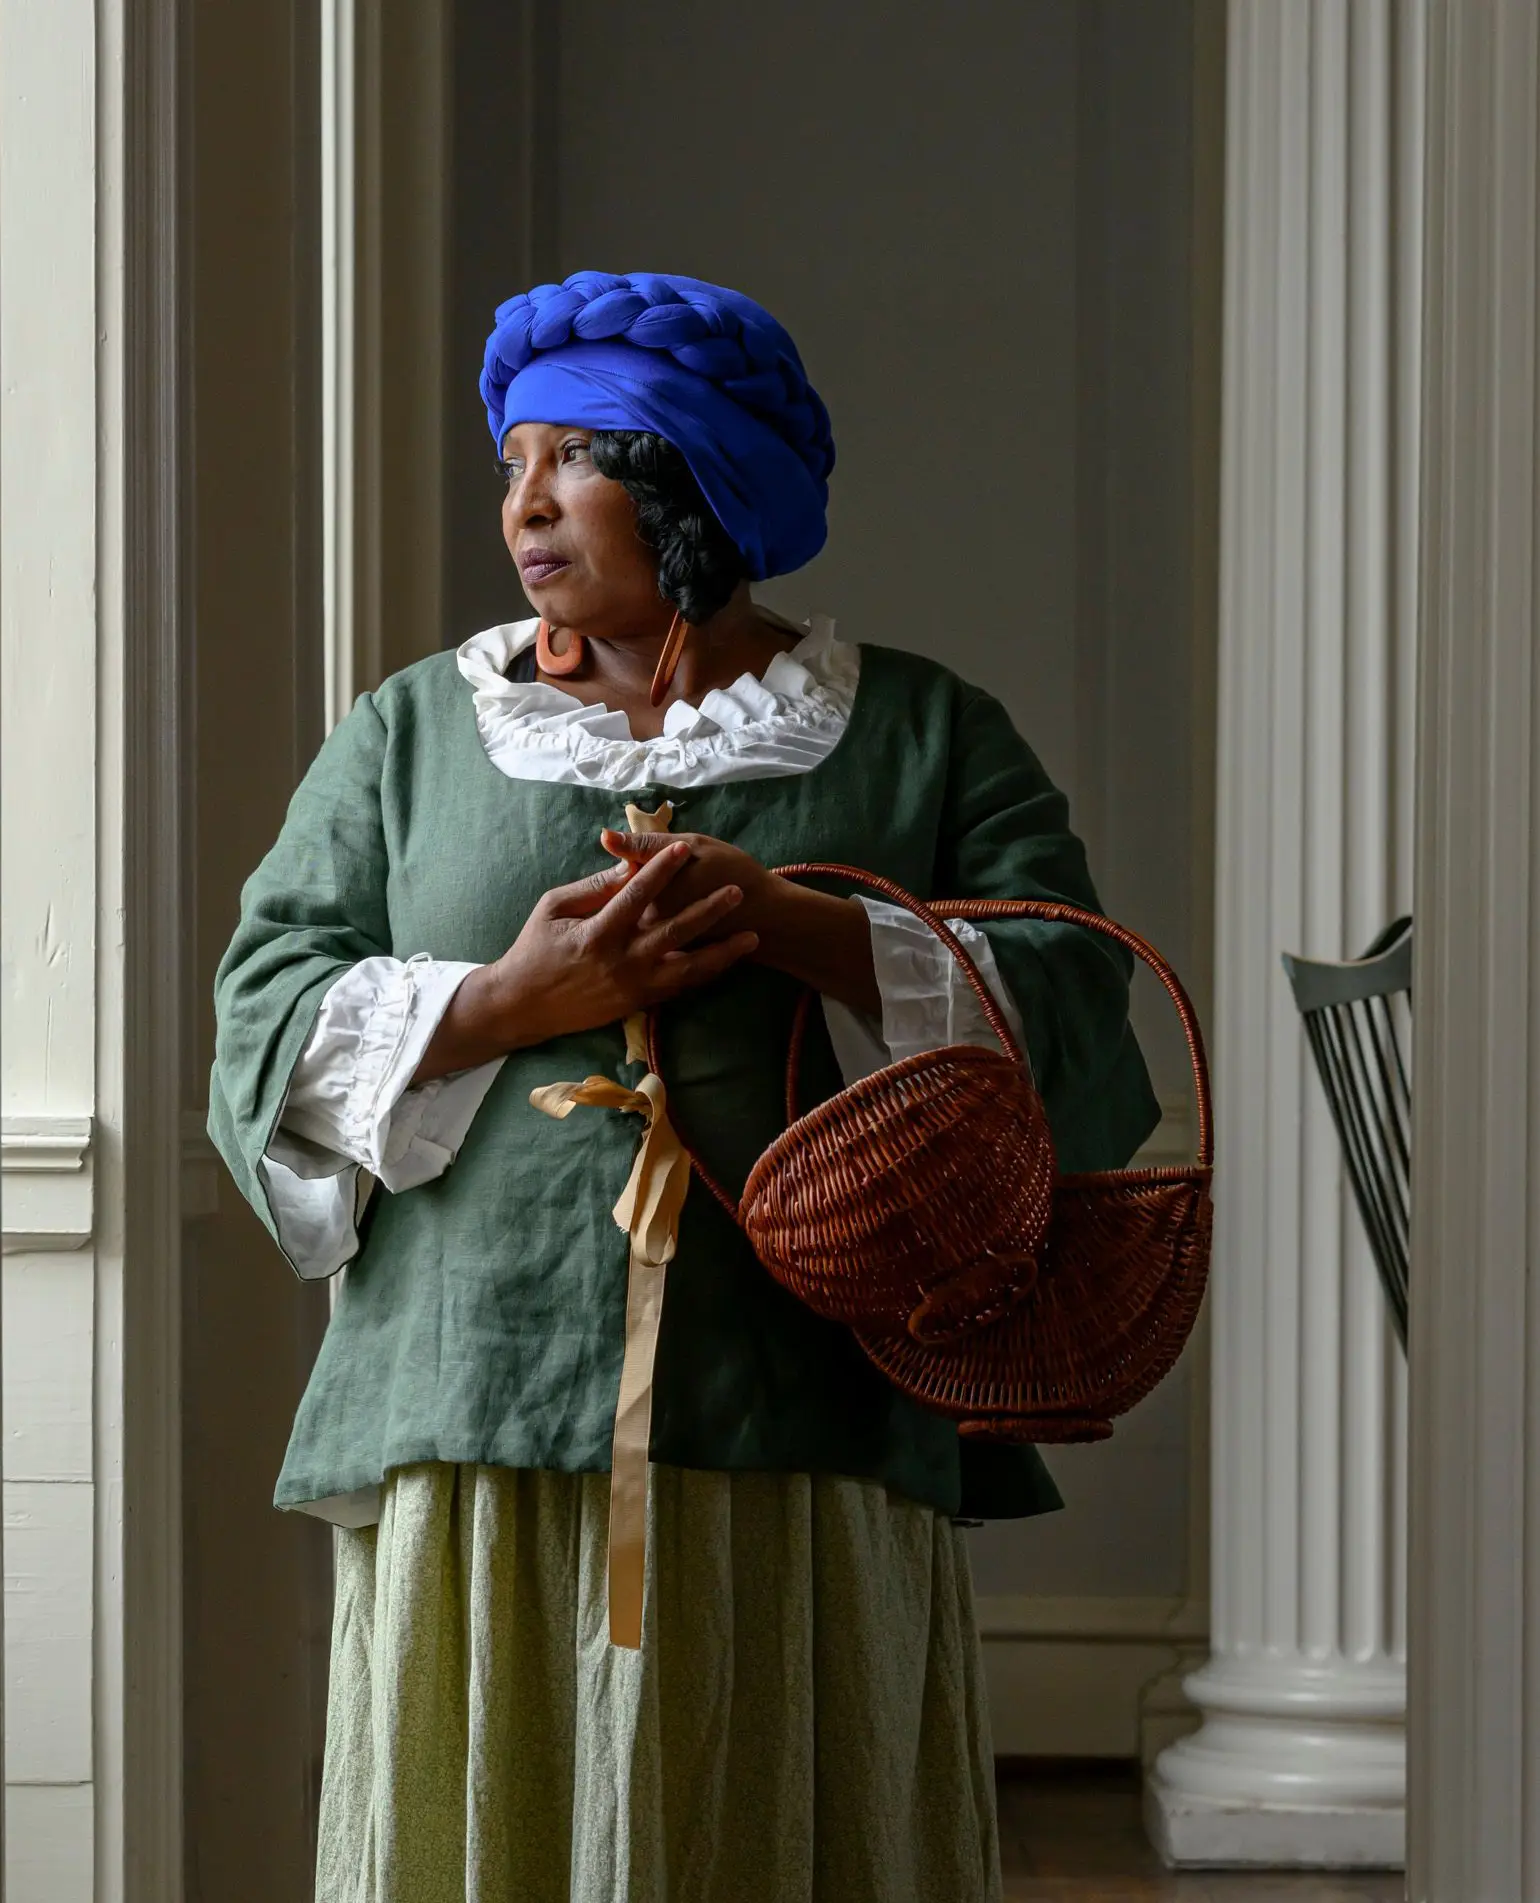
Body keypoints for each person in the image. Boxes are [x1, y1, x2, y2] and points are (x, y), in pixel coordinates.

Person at [210, 270, 1158, 1903]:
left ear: (696, 484)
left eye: (574, 461)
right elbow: (262, 1021)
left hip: (811, 1406)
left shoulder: (922, 732)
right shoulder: (411, 734)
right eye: (512, 463)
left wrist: (805, 928)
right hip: (484, 1398)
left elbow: (1079, 1008)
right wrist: (509, 998)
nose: (522, 506)